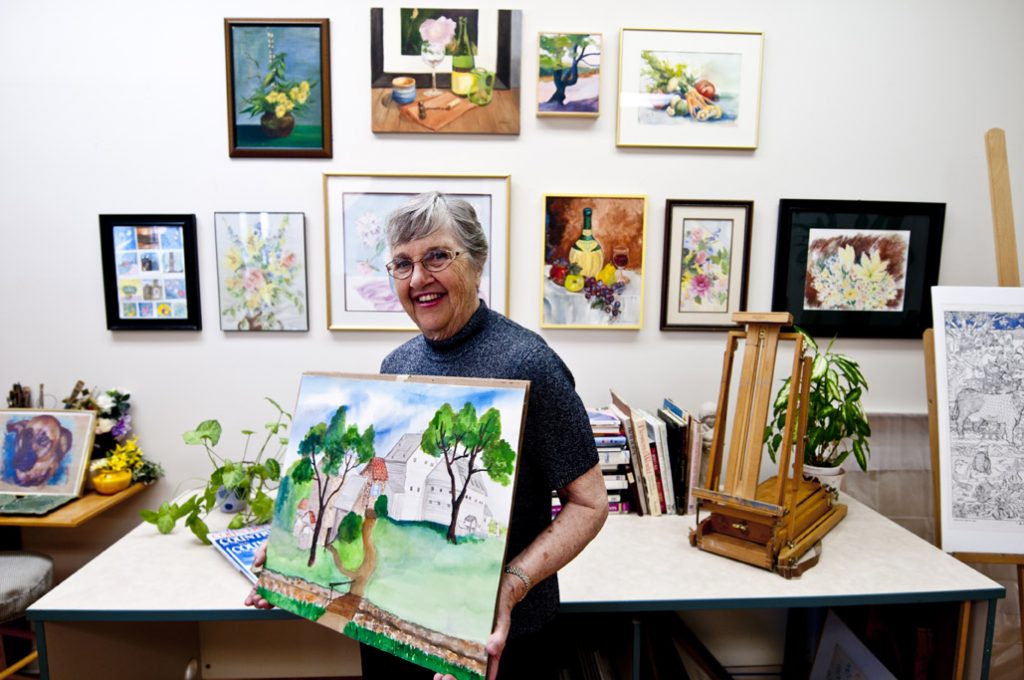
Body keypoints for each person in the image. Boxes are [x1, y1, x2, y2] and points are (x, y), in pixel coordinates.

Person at [246, 192, 608, 679]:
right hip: (394, 631)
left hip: (500, 640)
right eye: (402, 264)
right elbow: (374, 484)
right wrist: (294, 544)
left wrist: (511, 584)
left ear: (476, 263)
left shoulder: (531, 364)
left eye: (437, 256)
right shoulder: (397, 366)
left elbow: (589, 504)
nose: (418, 279)